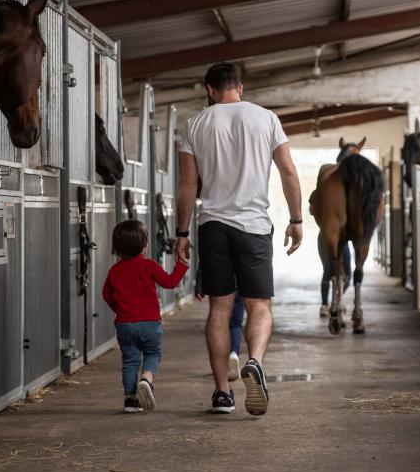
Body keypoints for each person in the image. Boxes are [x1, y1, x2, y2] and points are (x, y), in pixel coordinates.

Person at [176, 61, 303, 416]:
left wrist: (182, 233)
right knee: (259, 305)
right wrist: (296, 220)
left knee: (220, 307)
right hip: (254, 226)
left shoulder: (196, 124)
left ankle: (221, 393)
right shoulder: (267, 119)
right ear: (240, 88)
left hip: (213, 225)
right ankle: (256, 362)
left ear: (209, 89)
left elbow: (188, 185)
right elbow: (288, 171)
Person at [103, 219, 188, 413]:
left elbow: (106, 294)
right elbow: (169, 282)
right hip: (150, 322)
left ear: (117, 247)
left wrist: (120, 310)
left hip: (125, 324)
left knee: (130, 360)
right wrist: (181, 266)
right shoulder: (149, 266)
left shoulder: (115, 271)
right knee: (152, 354)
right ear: (144, 245)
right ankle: (146, 379)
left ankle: (130, 400)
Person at [317, 234, 352, 318]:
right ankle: (333, 301)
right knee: (346, 275)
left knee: (328, 272)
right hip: (336, 239)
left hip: (325, 238)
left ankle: (327, 304)